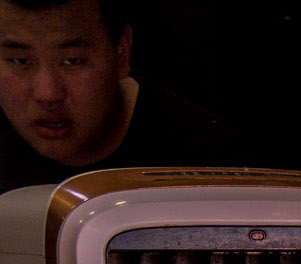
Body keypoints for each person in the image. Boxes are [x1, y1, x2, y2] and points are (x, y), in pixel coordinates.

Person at [0, 0, 241, 195]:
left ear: (121, 52)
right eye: (20, 61)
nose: (48, 94)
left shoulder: (208, 164)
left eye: (72, 61)